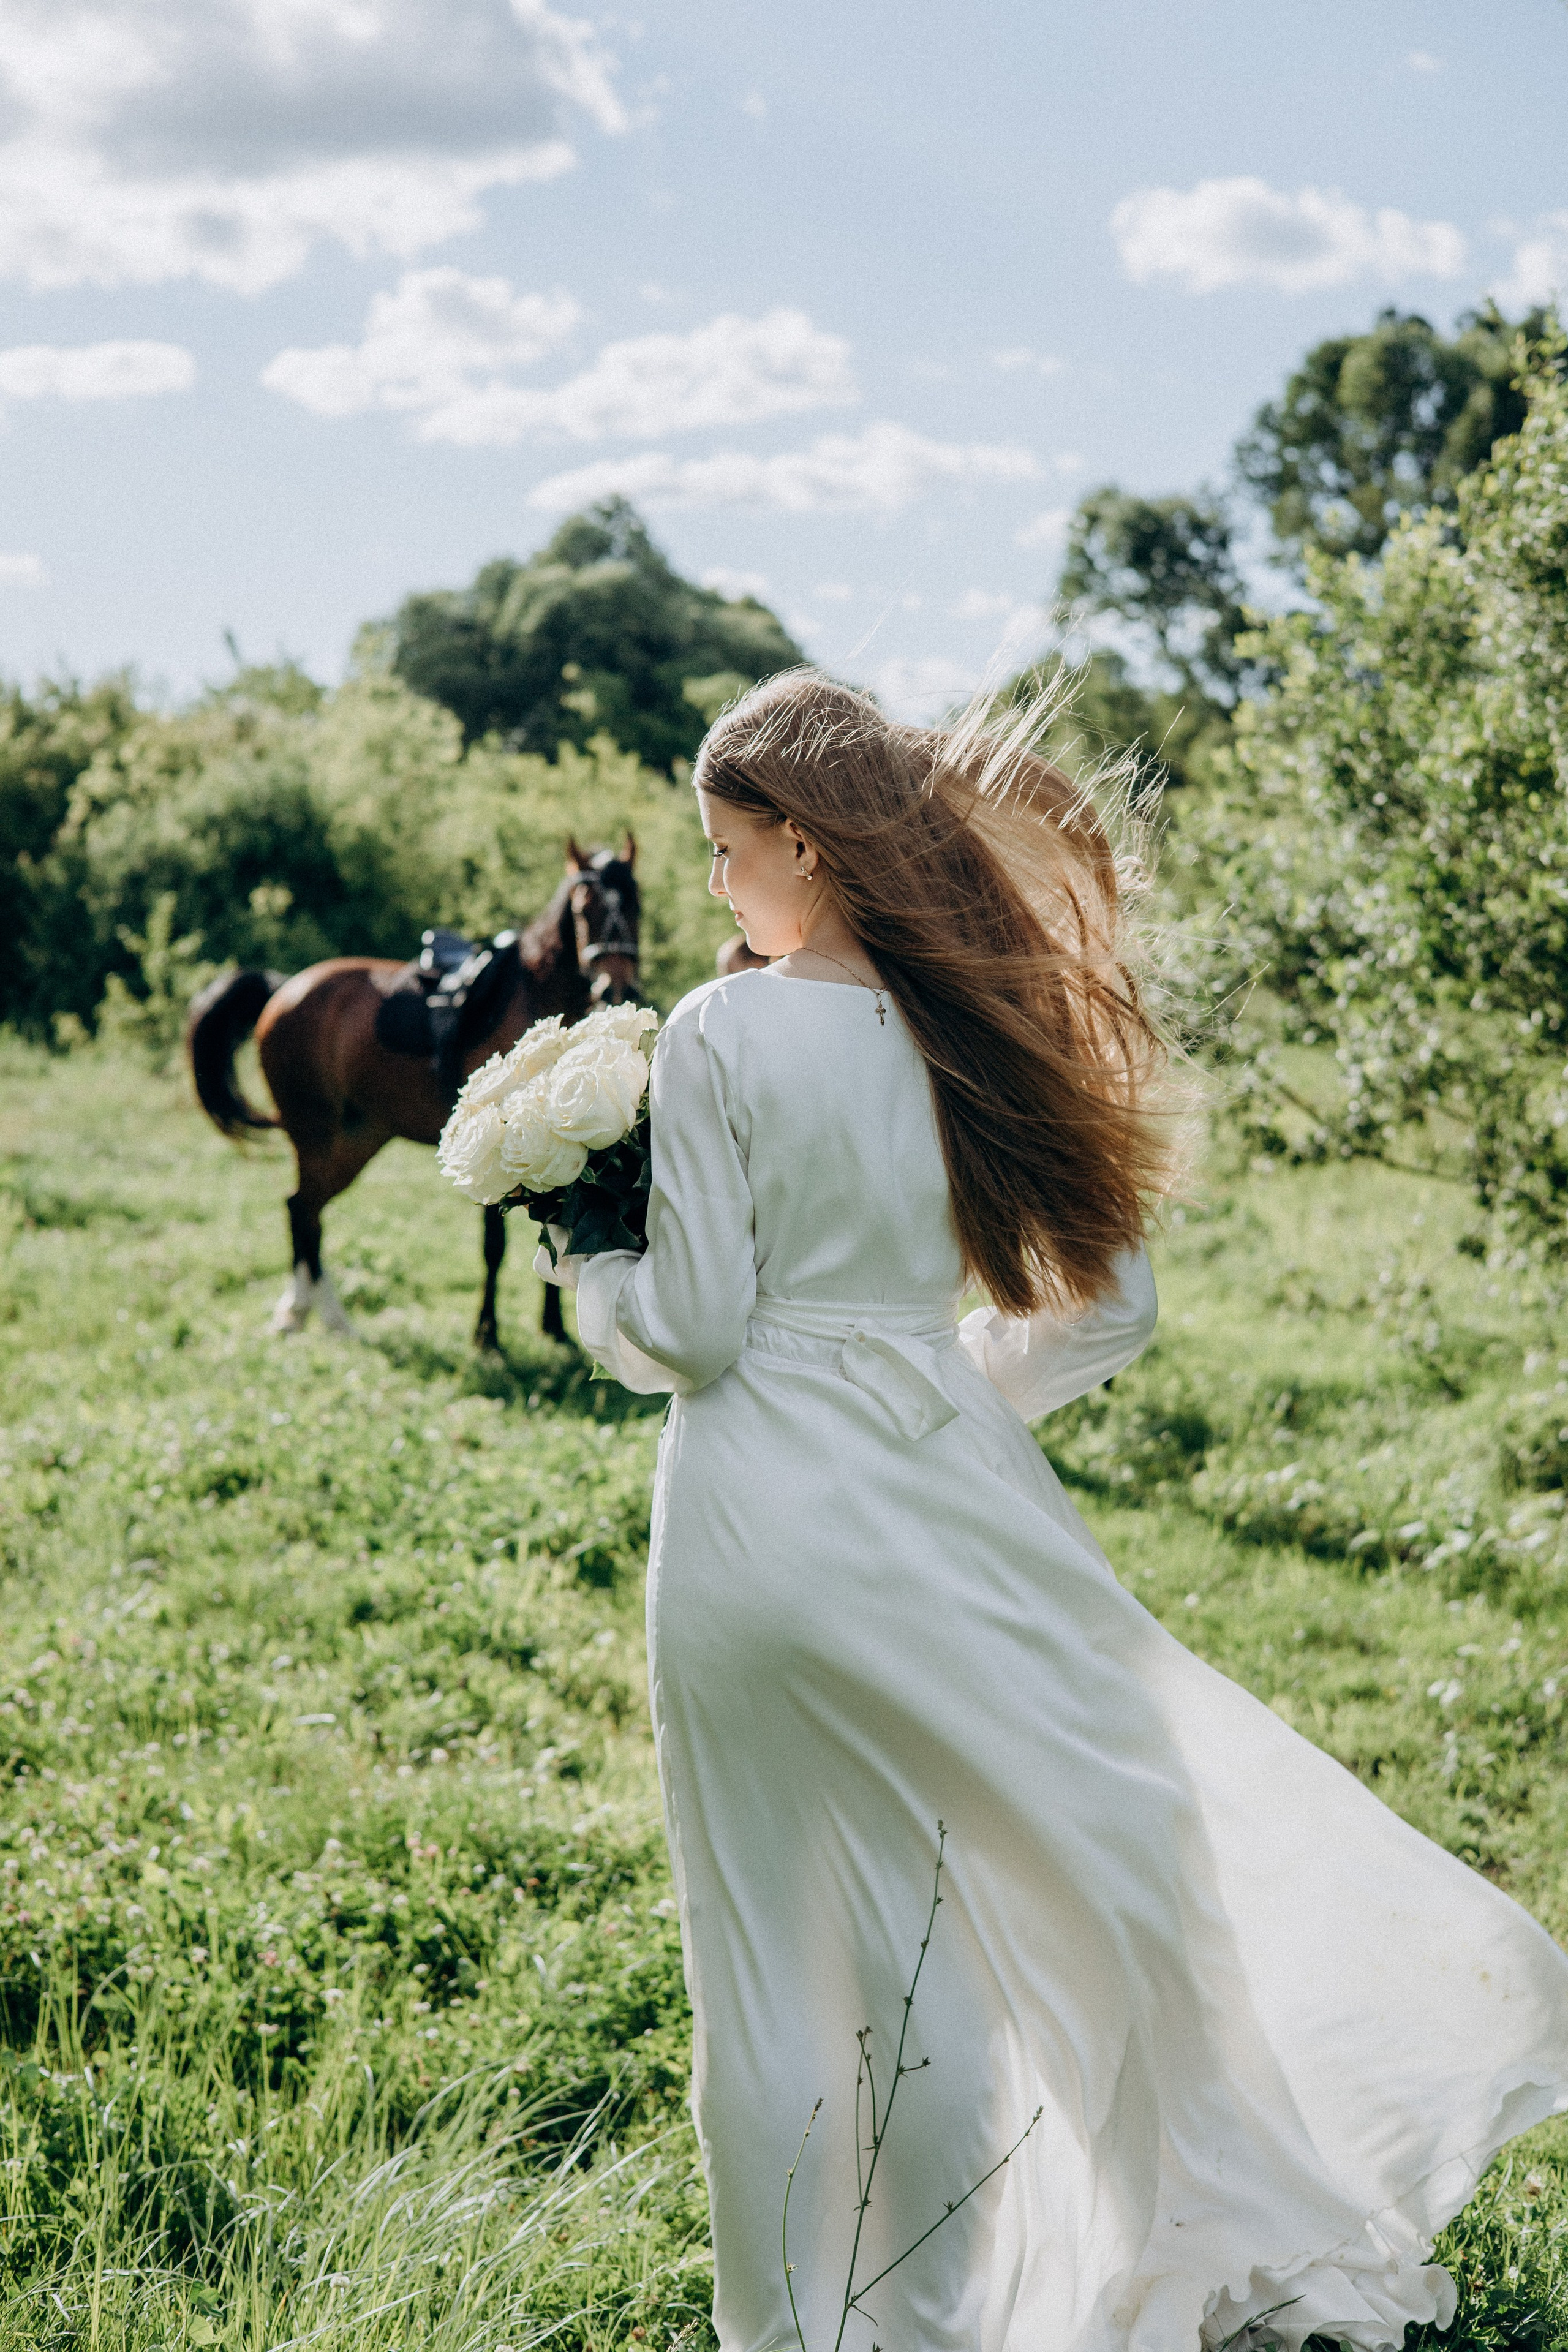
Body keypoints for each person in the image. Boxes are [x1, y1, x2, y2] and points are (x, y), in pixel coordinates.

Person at [538, 671, 1568, 2352]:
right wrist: (933, 1402)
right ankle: (967, 2294)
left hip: (748, 1534)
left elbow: (697, 1332)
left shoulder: (725, 1034)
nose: (718, 887)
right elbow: (1108, 1313)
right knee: (983, 1902)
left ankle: (805, 2329)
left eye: (730, 852)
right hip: (937, 1510)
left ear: (802, 841)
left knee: (778, 1946)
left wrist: (589, 1263)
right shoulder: (984, 1033)